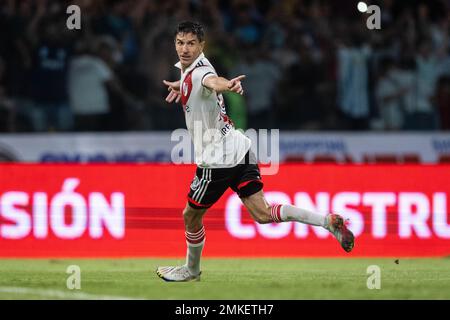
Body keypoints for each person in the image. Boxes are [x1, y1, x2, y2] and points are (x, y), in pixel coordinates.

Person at [156, 21, 354, 282]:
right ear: (175, 43)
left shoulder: (201, 71)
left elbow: (212, 82)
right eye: (180, 42)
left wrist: (229, 85)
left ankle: (191, 271)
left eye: (191, 43)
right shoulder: (188, 71)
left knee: (190, 215)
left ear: (202, 45)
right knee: (262, 213)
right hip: (240, 147)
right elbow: (198, 85)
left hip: (217, 160)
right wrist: (180, 88)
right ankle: (326, 221)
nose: (185, 48)